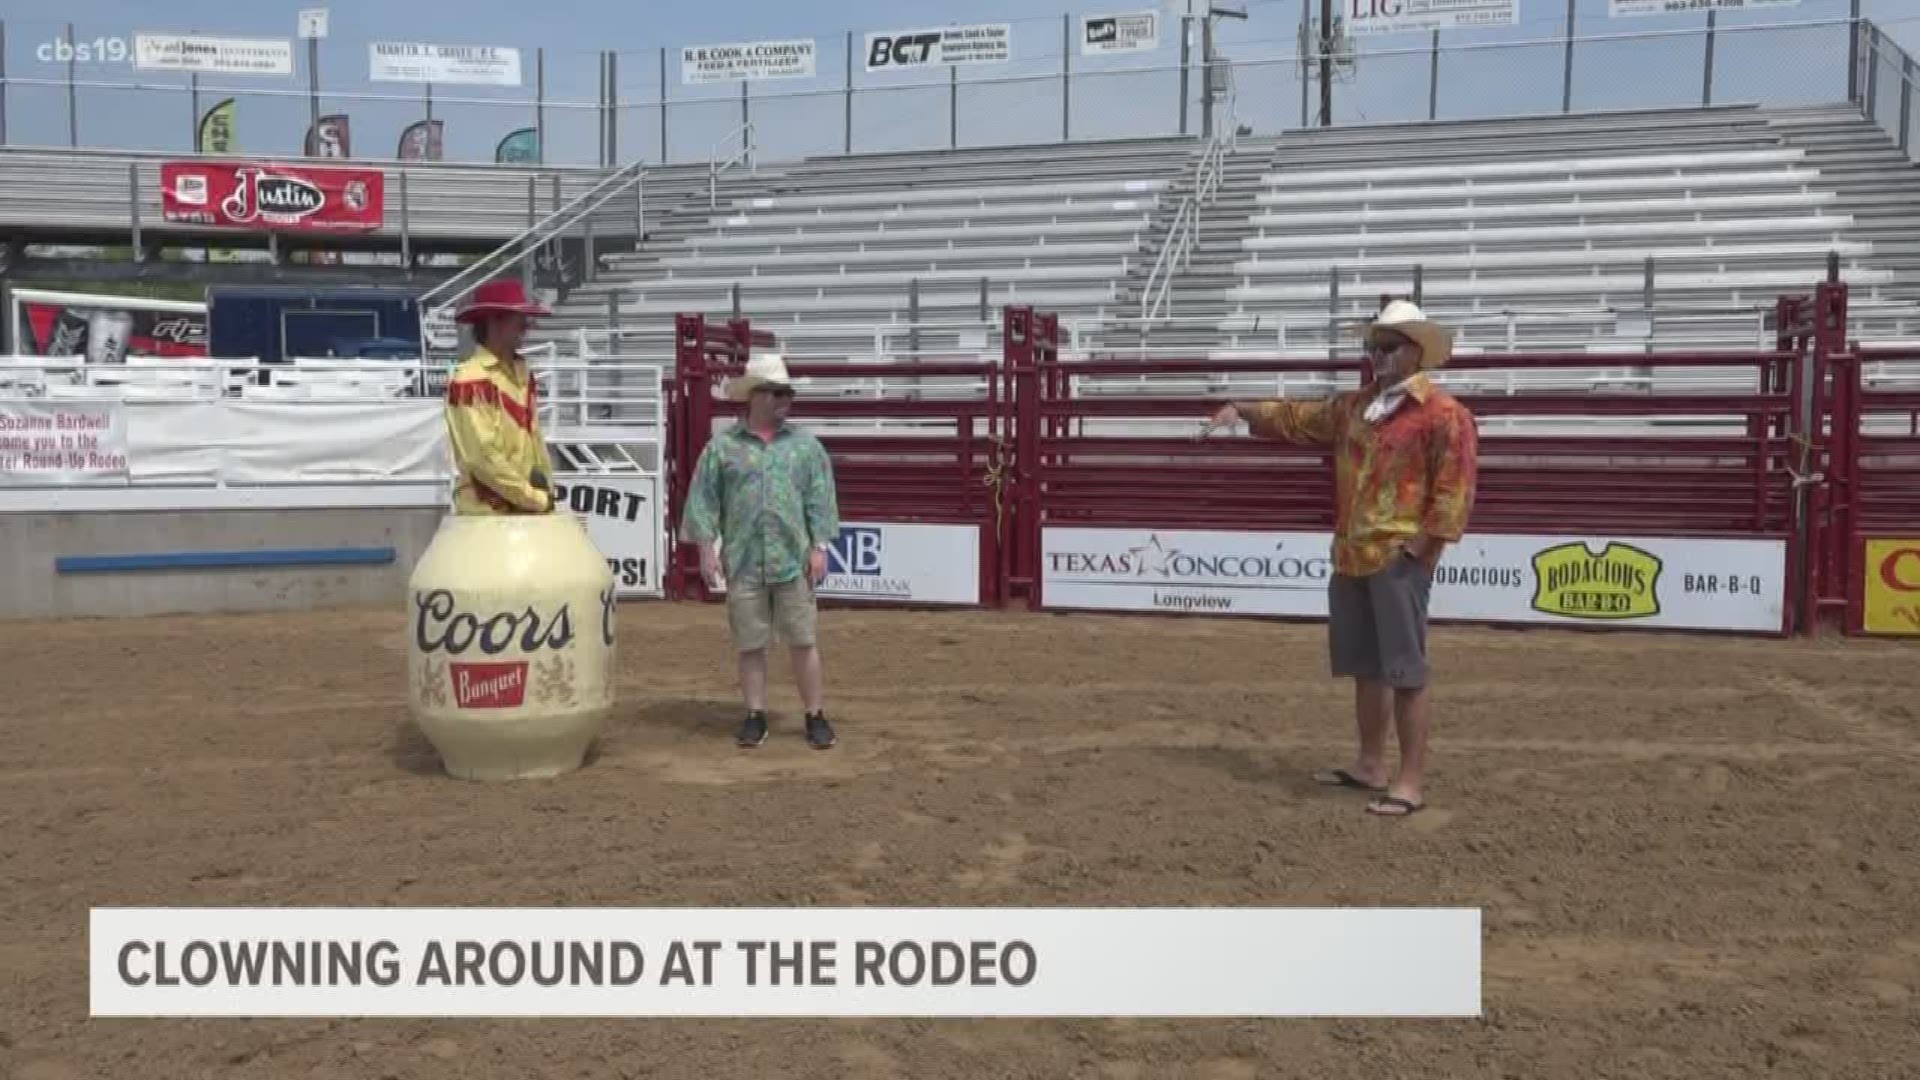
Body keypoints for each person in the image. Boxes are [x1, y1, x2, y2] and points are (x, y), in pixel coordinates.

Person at [1201, 300, 1479, 817]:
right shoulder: (1357, 407)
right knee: (1366, 667)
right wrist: (1244, 411)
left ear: (1415, 351)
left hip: (1395, 556)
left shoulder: (1444, 415)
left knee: (1405, 671)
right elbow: (1299, 417)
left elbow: (1454, 490)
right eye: (1373, 345)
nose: (1377, 354)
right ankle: (1371, 765)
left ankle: (1409, 781)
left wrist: (1421, 548)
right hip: (1354, 552)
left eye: (1388, 346)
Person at [679, 352, 842, 751]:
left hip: (793, 557)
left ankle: (815, 713)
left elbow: (820, 498)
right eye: (774, 392)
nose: (782, 400)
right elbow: (704, 499)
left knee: (803, 640)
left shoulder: (805, 447)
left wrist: (819, 547)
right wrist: (706, 548)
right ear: (754, 396)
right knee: (750, 643)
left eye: (785, 392)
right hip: (745, 558)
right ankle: (755, 713)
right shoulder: (722, 448)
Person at [444, 279, 557, 516]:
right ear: (494, 321)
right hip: (488, 513)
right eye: (519, 320)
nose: (526, 328)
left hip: (525, 508)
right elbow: (483, 457)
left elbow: (534, 440)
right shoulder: (470, 379)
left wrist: (543, 490)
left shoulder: (521, 371)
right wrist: (534, 498)